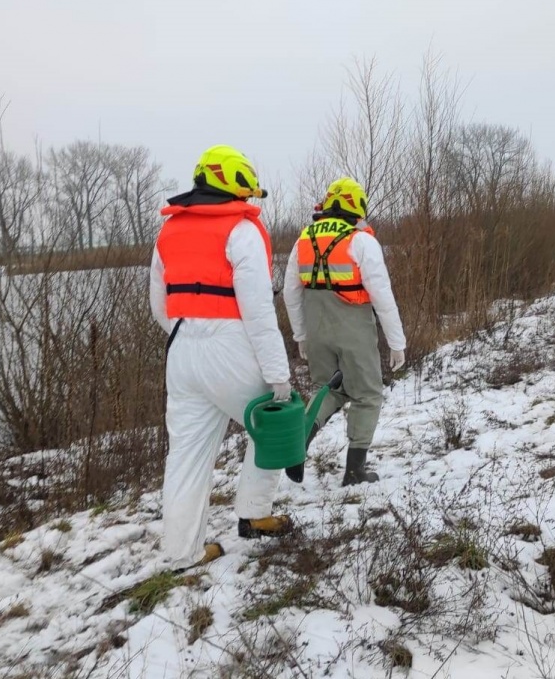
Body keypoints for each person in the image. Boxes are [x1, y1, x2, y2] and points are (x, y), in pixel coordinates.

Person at [150, 144, 293, 573]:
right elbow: (258, 311)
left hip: (181, 348)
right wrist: (278, 374)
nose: (249, 200)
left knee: (186, 455)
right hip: (231, 345)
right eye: (247, 192)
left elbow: (159, 302)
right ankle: (254, 513)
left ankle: (182, 552)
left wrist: (186, 333)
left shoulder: (168, 231)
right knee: (275, 424)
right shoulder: (242, 230)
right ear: (235, 186)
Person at [282, 177, 406, 486]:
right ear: (357, 207)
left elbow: (290, 292)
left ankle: (296, 450)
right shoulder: (361, 240)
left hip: (316, 328)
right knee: (367, 394)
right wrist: (396, 342)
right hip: (353, 328)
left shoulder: (303, 241)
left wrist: (301, 336)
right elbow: (382, 294)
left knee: (329, 389)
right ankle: (355, 471)